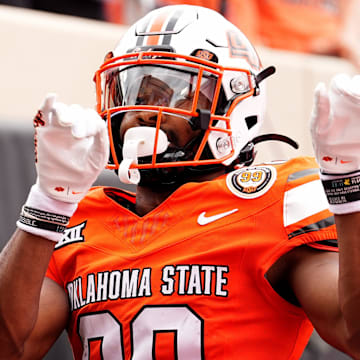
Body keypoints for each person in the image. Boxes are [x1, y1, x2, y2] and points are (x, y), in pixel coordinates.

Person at [1, 4, 360, 359]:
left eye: (173, 93)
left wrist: (348, 186)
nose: (142, 110)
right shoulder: (78, 219)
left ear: (233, 105)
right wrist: (48, 202)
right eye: (135, 92)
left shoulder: (274, 202)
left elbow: (353, 333)